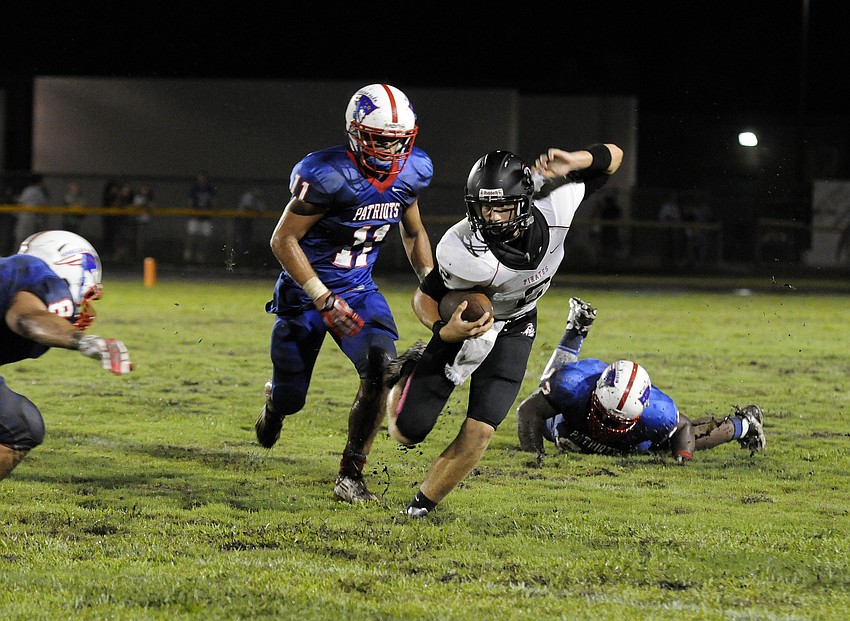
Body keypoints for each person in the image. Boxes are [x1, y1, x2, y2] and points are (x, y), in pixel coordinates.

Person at [384, 143, 624, 519]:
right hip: (466, 328)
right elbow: (423, 297)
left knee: (481, 428)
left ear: (525, 202)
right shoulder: (461, 247)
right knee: (406, 431)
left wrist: (575, 161)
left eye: (503, 207)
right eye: (485, 207)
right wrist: (443, 331)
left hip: (517, 322)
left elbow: (614, 157)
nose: (493, 217)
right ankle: (411, 369)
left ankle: (420, 507)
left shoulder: (556, 204)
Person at [255, 83, 434, 503]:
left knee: (380, 367)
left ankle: (350, 476)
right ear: (356, 133)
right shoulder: (327, 174)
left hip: (358, 290)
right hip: (305, 295)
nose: (390, 152)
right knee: (291, 398)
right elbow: (283, 240)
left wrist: (430, 280)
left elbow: (414, 231)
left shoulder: (413, 171)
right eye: (381, 141)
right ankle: (275, 403)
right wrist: (321, 296)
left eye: (398, 142)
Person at [515, 297, 766, 460]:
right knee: (548, 391)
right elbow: (528, 411)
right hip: (572, 421)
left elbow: (682, 427)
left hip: (630, 439)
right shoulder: (574, 386)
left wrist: (682, 456)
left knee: (667, 445)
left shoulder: (658, 412)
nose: (606, 425)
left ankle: (744, 424)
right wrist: (535, 456)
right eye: (604, 414)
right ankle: (575, 332)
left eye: (616, 419)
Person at [1, 230, 133, 482]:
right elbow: (26, 317)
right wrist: (83, 342)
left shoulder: (12, 271)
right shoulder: (40, 276)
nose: (82, 305)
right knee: (20, 426)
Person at [183, 171, 218, 264]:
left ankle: (200, 255)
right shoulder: (194, 188)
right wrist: (193, 212)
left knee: (204, 238)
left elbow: (214, 201)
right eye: (200, 178)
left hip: (206, 217)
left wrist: (211, 211)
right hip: (195, 216)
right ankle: (188, 254)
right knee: (191, 235)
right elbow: (190, 201)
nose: (201, 180)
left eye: (203, 178)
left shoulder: (210, 188)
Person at [14, 174, 50, 247]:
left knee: (21, 238)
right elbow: (43, 204)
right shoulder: (37, 191)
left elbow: (20, 202)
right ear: (39, 181)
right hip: (29, 216)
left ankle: (17, 254)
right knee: (26, 239)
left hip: (26, 216)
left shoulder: (29, 190)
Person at [233, 186, 267, 259]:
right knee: (240, 238)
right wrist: (256, 212)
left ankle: (246, 255)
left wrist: (257, 212)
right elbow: (247, 207)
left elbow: (262, 211)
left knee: (248, 238)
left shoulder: (259, 200)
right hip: (241, 219)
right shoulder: (248, 196)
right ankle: (238, 256)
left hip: (250, 220)